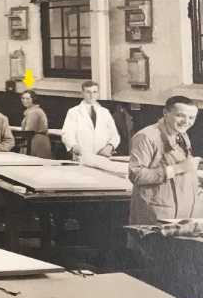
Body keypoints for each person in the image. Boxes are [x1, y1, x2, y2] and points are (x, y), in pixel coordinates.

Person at [129, 96, 203, 224]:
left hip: (183, 211)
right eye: (180, 115)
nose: (186, 122)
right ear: (165, 113)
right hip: (158, 214)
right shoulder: (146, 137)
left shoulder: (182, 135)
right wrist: (178, 168)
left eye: (191, 118)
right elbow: (136, 175)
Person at [62, 80, 120, 162]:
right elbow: (67, 134)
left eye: (94, 92)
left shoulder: (105, 112)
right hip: (82, 157)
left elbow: (115, 135)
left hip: (102, 157)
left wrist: (110, 146)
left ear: (98, 93)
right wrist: (74, 147)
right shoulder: (74, 112)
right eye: (88, 92)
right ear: (82, 93)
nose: (92, 95)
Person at [20, 90, 52, 159]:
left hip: (36, 142)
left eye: (27, 98)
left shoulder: (33, 112)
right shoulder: (34, 110)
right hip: (36, 140)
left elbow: (29, 130)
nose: (25, 100)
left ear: (33, 99)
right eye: (23, 98)